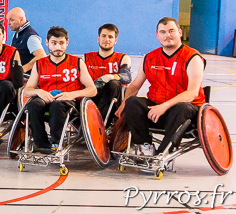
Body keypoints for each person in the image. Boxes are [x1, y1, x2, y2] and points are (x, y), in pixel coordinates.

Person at [115, 17, 206, 156]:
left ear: (180, 33)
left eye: (171, 31)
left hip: (184, 112)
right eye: (162, 32)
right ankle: (145, 147)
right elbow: (134, 86)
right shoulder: (150, 58)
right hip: (156, 109)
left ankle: (163, 152)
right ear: (157, 35)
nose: (167, 35)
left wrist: (164, 106)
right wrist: (124, 103)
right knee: (132, 102)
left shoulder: (193, 57)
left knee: (182, 107)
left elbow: (192, 92)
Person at [23, 26, 97, 153]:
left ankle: (56, 143)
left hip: (68, 104)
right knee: (33, 105)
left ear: (67, 43)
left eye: (62, 43)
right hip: (47, 99)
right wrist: (39, 91)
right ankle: (41, 144)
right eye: (54, 43)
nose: (58, 47)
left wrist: (72, 94)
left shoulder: (77, 62)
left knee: (57, 106)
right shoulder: (40, 64)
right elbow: (27, 90)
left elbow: (92, 90)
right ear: (47, 43)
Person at [84, 23, 132, 120]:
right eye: (104, 36)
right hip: (92, 96)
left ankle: (100, 123)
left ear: (115, 41)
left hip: (113, 100)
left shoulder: (123, 58)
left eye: (110, 37)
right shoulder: (86, 58)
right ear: (98, 39)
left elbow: (127, 77)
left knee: (113, 84)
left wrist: (109, 77)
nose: (107, 39)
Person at [7, 7, 46, 73]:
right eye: (8, 20)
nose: (8, 23)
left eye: (11, 20)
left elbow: (41, 56)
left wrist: (23, 69)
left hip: (28, 78)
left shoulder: (30, 36)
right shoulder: (17, 34)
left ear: (21, 19)